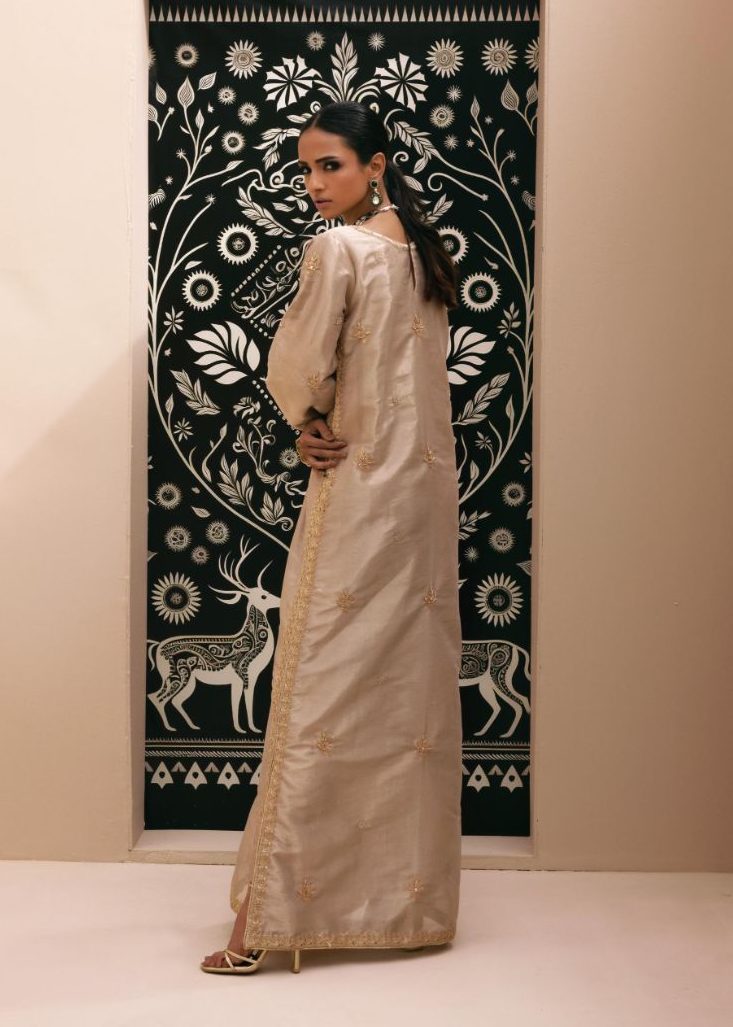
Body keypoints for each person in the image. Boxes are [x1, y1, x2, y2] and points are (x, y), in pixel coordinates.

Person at [201, 100, 462, 975]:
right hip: (421, 501)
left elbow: (299, 365)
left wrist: (306, 420)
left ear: (375, 165)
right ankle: (403, 910)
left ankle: (262, 925)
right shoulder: (424, 255)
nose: (314, 184)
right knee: (404, 695)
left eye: (330, 166)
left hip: (357, 491)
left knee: (320, 686)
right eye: (305, 169)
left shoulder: (340, 250)